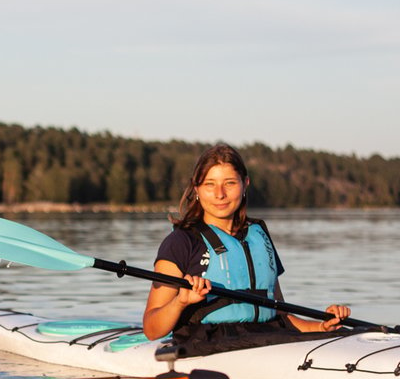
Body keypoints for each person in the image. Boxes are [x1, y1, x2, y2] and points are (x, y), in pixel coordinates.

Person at [142, 143, 350, 352]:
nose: (220, 194)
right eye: (209, 184)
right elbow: (152, 329)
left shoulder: (258, 235)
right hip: (209, 346)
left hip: (267, 338)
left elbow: (280, 313)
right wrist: (180, 302)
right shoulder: (181, 242)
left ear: (245, 184)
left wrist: (322, 326)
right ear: (197, 189)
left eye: (230, 183)